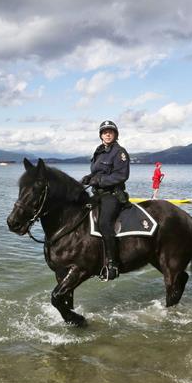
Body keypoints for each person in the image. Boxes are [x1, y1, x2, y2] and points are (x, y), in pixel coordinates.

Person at [81, 120, 130, 281]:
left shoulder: (119, 152)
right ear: (101, 135)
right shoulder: (99, 151)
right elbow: (97, 171)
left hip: (113, 195)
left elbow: (121, 175)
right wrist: (90, 178)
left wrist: (99, 181)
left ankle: (113, 265)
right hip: (98, 194)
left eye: (110, 131)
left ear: (115, 134)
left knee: (104, 223)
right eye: (104, 132)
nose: (107, 134)